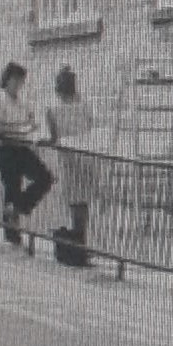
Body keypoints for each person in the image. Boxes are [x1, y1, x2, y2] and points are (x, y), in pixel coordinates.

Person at [0, 61, 52, 244]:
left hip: (22, 147)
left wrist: (29, 129)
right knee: (12, 188)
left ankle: (18, 208)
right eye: (16, 80)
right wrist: (21, 128)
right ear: (8, 79)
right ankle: (12, 235)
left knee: (45, 177)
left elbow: (33, 123)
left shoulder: (23, 101)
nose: (19, 84)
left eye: (21, 81)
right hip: (6, 149)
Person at [44, 66, 97, 264]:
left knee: (72, 203)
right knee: (83, 204)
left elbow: (54, 137)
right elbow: (89, 126)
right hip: (85, 156)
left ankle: (76, 247)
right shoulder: (84, 106)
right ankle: (81, 242)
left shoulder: (52, 110)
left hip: (67, 158)